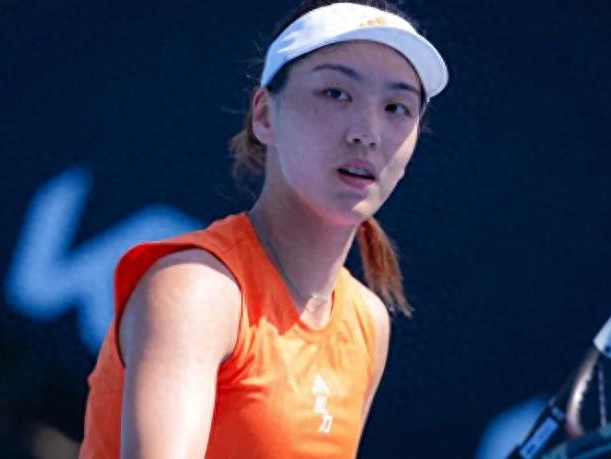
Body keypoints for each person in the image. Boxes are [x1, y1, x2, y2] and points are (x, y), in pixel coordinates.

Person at [79, 1, 448, 457]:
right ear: (265, 115)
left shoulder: (368, 324)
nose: (367, 132)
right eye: (336, 93)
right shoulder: (197, 291)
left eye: (396, 107)